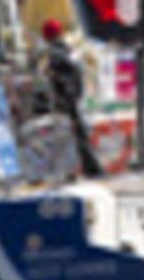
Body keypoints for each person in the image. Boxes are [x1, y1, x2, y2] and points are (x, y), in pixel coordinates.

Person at [33, 19, 103, 178]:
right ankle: (91, 168)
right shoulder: (68, 50)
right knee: (80, 136)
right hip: (74, 99)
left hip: (66, 101)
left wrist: (59, 94)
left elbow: (59, 78)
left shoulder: (55, 55)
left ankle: (87, 169)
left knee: (72, 138)